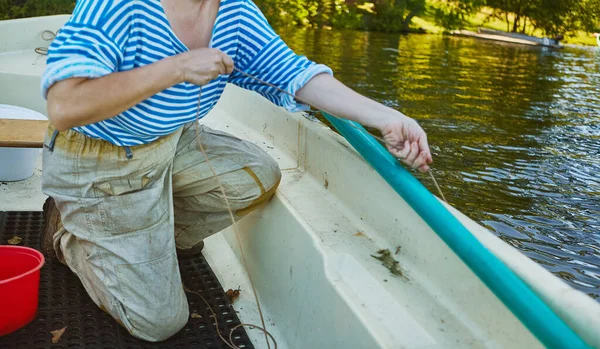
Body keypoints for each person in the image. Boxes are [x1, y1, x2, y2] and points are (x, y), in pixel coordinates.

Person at [41, 0, 432, 342]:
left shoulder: (236, 12)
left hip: (170, 143)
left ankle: (151, 235)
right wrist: (176, 67)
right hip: (100, 162)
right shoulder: (119, 4)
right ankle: (69, 235)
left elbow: (296, 74)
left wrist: (387, 117)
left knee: (257, 174)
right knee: (158, 324)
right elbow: (64, 105)